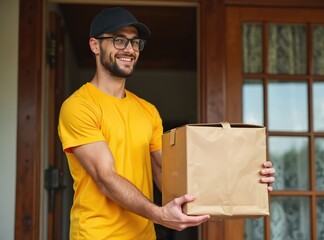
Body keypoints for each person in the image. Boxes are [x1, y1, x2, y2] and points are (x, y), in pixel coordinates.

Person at [58, 7, 275, 240]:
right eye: (119, 40)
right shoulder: (79, 106)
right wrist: (159, 214)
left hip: (144, 235)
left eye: (135, 42)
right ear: (94, 45)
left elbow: (168, 171)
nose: (129, 49)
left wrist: (245, 177)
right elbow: (105, 176)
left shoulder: (147, 111)